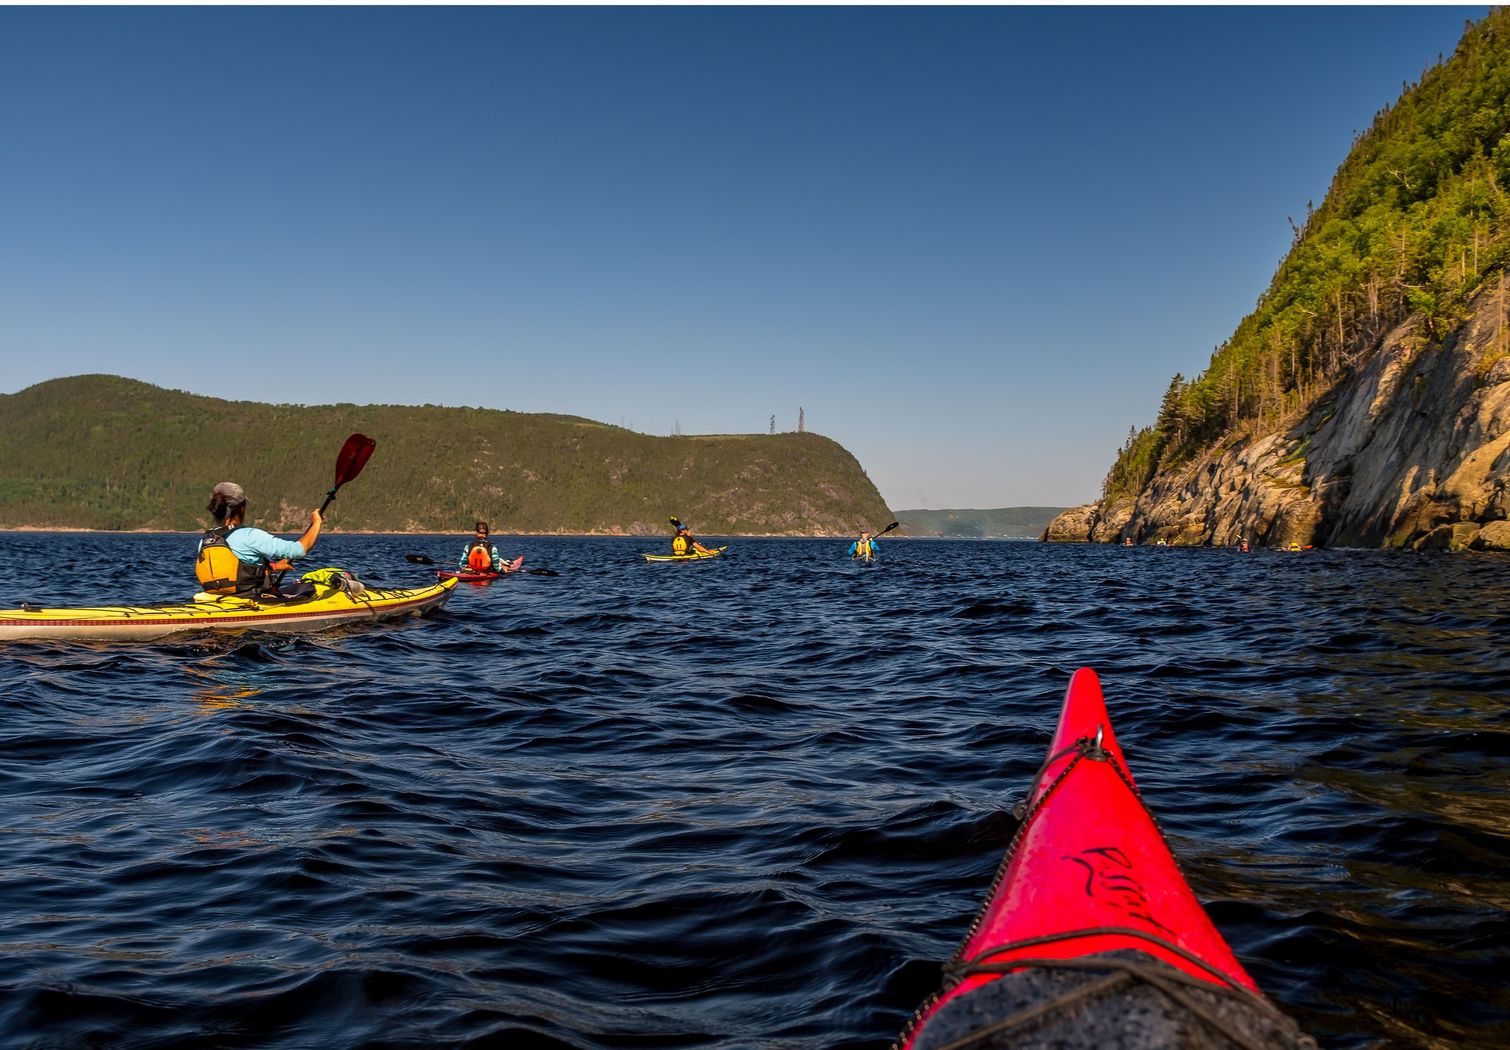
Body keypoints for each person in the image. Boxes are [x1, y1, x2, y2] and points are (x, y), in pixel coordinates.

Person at [195, 481, 322, 596]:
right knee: (308, 588)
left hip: (218, 598)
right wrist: (316, 522)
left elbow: (233, 565)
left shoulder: (207, 539)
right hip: (251, 598)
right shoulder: (250, 535)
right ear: (242, 508)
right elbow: (298, 550)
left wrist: (274, 566)